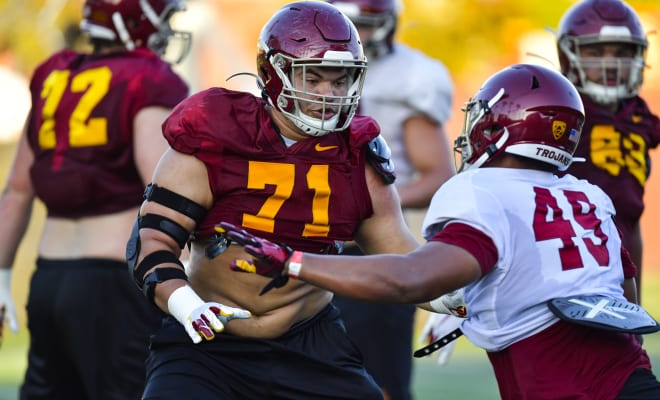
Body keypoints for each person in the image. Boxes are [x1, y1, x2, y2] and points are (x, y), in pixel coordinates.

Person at [220, 63, 660, 400]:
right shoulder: (589, 197)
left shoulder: (484, 191)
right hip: (633, 378)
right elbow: (623, 302)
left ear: (494, 127)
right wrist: (476, 306)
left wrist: (295, 262)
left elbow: (408, 278)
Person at [128, 0, 420, 399]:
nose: (328, 94)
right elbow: (151, 243)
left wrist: (457, 296)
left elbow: (403, 256)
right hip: (208, 339)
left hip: (311, 342)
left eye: (339, 81)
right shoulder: (215, 133)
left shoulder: (357, 153)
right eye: (312, 79)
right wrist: (187, 307)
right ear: (273, 75)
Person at [0, 0, 191, 398]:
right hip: (113, 282)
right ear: (140, 18)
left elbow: (15, 190)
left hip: (48, 277)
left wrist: (1, 275)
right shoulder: (148, 79)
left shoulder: (55, 74)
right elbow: (165, 193)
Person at [321, 0, 456, 397]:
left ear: (390, 24)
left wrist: (364, 205)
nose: (355, 34)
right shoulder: (309, 69)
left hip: (378, 249)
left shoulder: (410, 76)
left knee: (379, 382)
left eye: (365, 24)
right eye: (346, 23)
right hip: (314, 243)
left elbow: (437, 175)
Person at [555, 0, 660, 304]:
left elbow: (631, 220)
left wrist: (635, 303)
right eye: (596, 52)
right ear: (568, 55)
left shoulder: (639, 120)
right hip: (561, 274)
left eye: (622, 54)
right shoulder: (559, 109)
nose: (611, 64)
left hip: (615, 277)